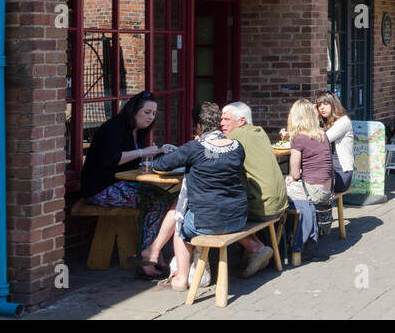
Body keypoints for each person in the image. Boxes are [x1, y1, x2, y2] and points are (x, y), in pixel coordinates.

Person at [80, 91, 175, 278]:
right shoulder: (114, 128)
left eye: (154, 114)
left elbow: (132, 163)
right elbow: (111, 159)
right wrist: (143, 152)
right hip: (99, 188)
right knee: (155, 202)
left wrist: (157, 153)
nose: (150, 117)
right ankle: (148, 258)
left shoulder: (136, 131)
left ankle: (153, 253)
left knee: (163, 197)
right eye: (147, 112)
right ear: (134, 111)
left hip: (118, 183)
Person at [152, 107, 248, 293]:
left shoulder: (195, 148)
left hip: (208, 222)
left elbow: (161, 165)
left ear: (198, 126)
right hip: (238, 219)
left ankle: (181, 278)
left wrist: (158, 153)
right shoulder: (237, 147)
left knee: (179, 226)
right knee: (191, 215)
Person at [221, 101, 289, 277]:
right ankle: (257, 249)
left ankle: (256, 248)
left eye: (227, 119)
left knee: (214, 213)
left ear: (241, 120)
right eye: (221, 119)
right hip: (280, 204)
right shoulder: (259, 132)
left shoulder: (236, 137)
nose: (222, 123)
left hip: (264, 207)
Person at [285, 99, 335, 261]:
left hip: (312, 191)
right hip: (327, 190)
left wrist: (292, 178)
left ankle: (283, 242)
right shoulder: (322, 134)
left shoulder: (298, 138)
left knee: (277, 194)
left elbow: (295, 172)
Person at [315, 92, 354, 195]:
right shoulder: (325, 123)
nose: (322, 108)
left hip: (341, 174)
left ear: (333, 105)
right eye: (319, 105)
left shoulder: (343, 122)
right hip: (329, 172)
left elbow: (321, 141)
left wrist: (313, 118)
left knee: (305, 180)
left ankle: (314, 208)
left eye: (326, 104)